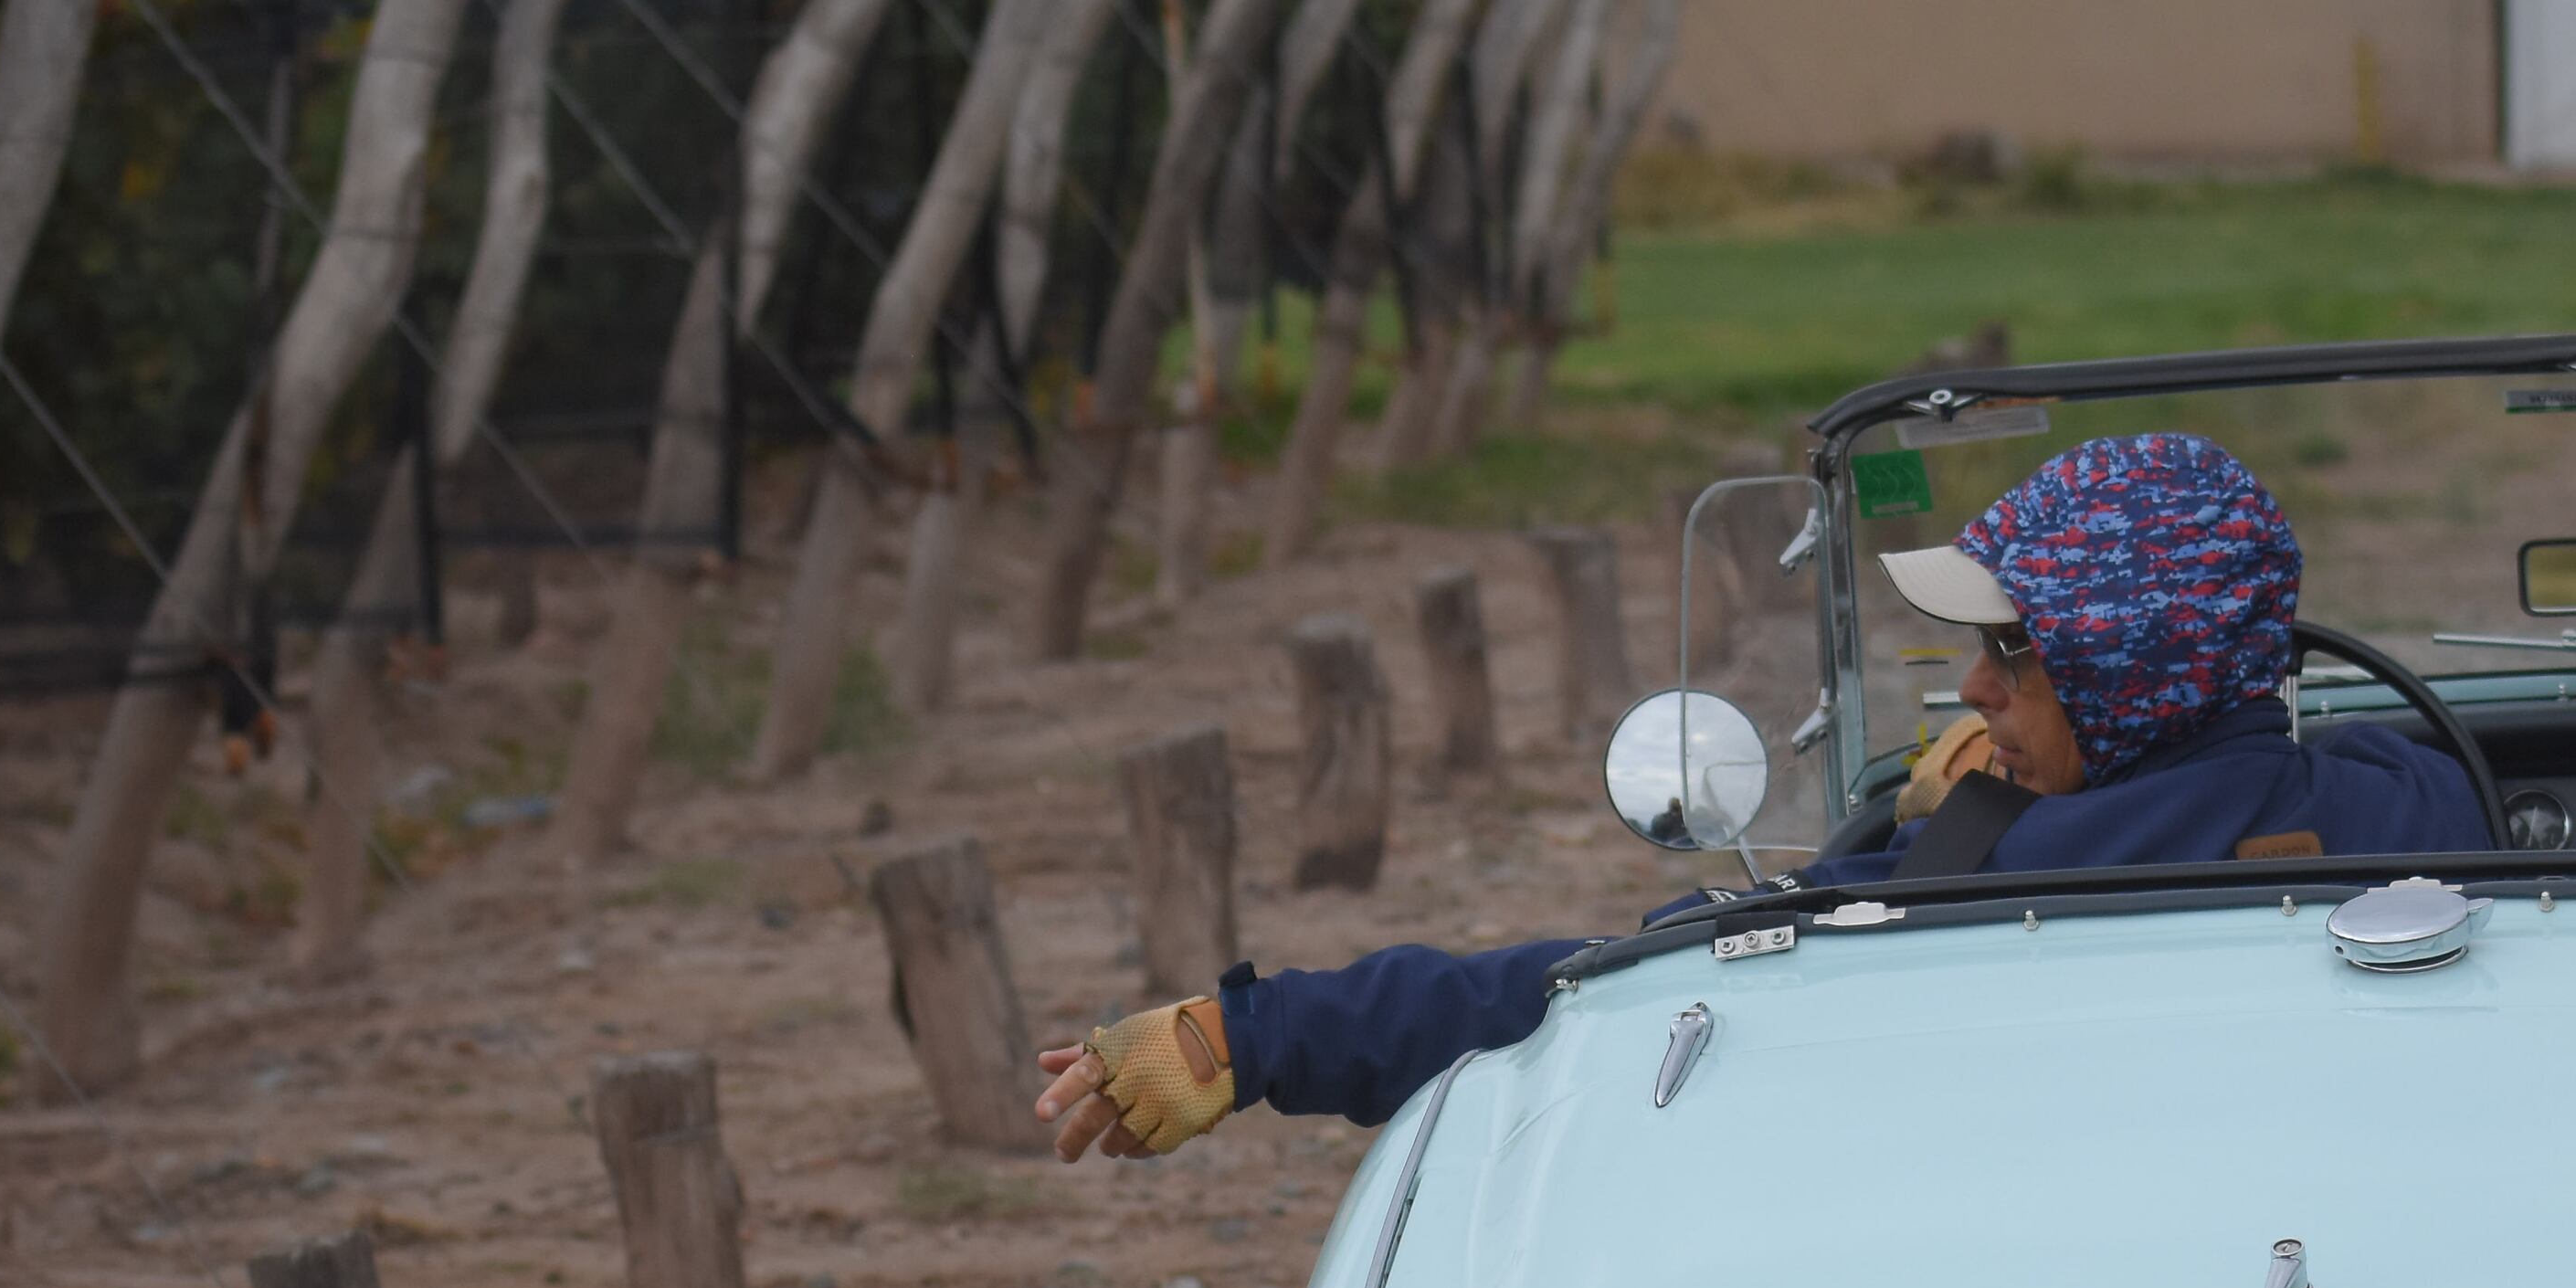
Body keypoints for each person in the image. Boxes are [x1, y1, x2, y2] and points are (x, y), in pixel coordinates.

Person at [1036, 432, 2486, 1160]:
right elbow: (2314, 775)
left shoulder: (1941, 908)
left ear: (2125, 674)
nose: (1974, 696)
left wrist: (1268, 1028)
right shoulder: (2420, 807)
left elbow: (1581, 994)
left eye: (2015, 657)